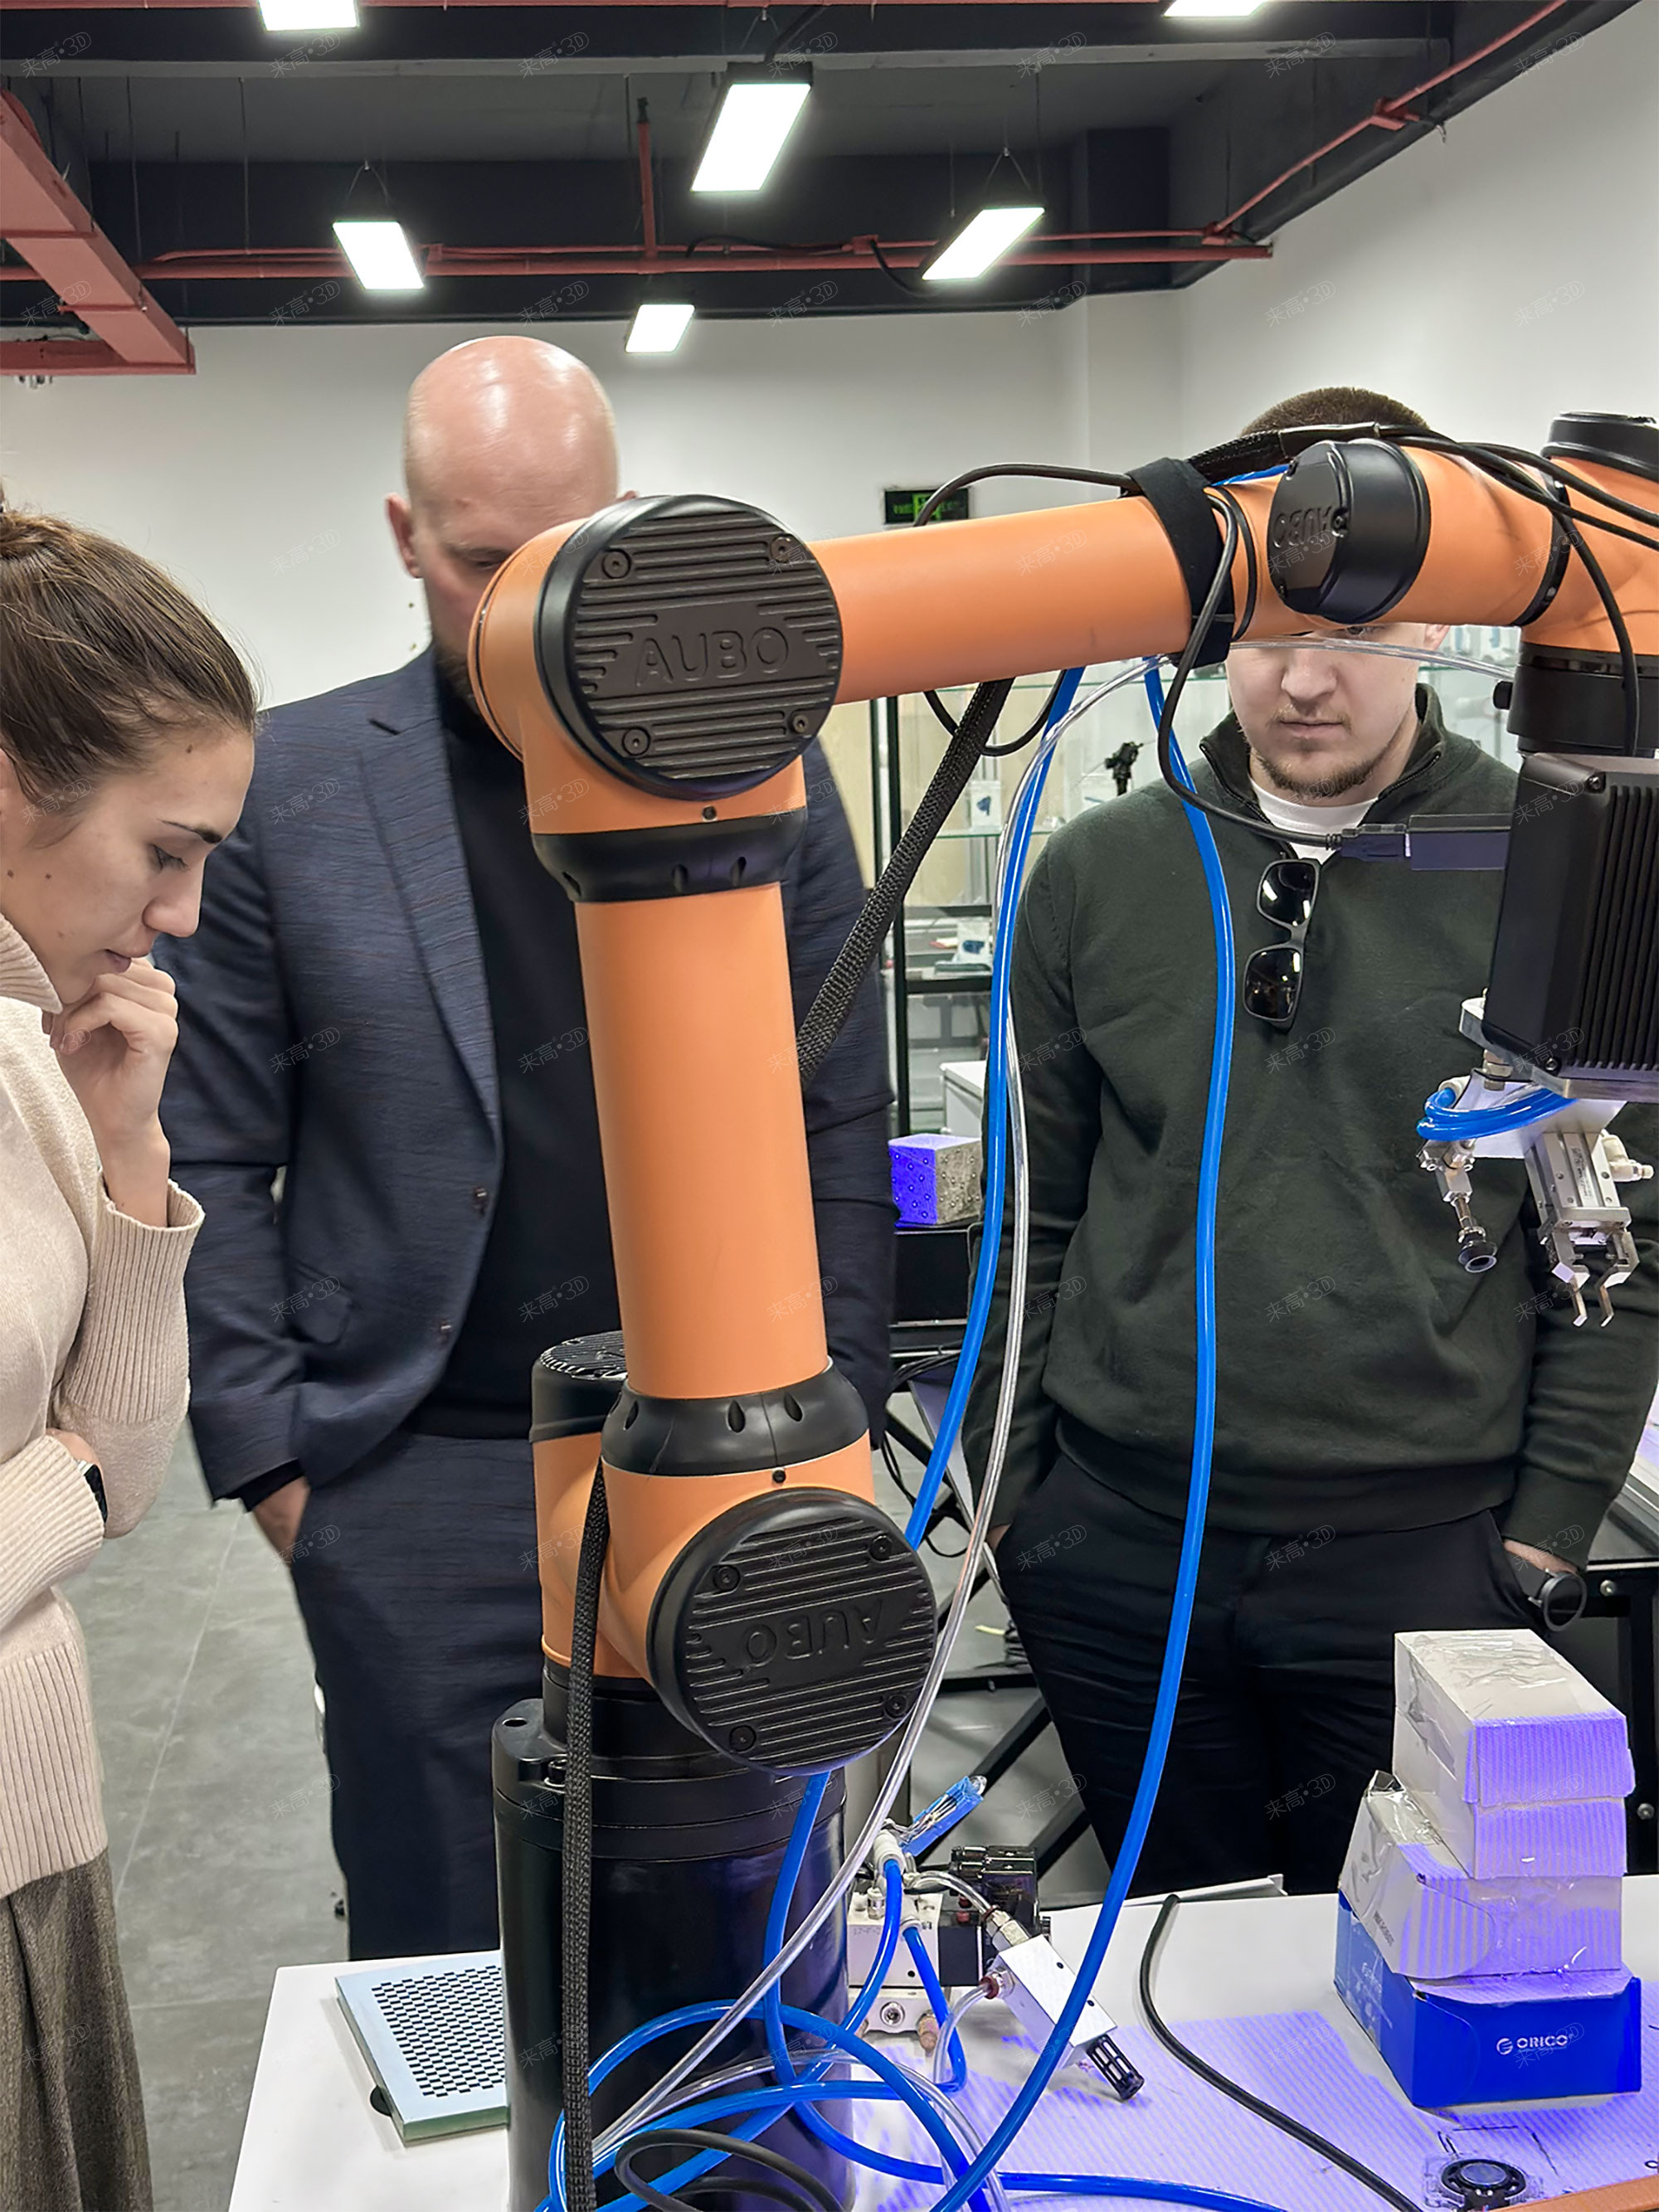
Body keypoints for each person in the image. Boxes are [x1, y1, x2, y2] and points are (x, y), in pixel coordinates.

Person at [158, 337, 894, 1961]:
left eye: (564, 545)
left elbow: (835, 1096)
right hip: (413, 1470)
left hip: (730, 1453)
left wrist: (841, 1386)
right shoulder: (293, 787)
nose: (521, 598)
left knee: (747, 1933)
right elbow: (204, 1148)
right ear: (404, 534)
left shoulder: (750, 769)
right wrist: (281, 1466)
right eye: (480, 557)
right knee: (448, 1949)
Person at [964, 385, 1659, 1896]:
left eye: (1359, 631)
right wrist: (1016, 1503)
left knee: (1411, 1972)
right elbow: (1034, 1216)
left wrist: (1545, 1533)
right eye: (1273, 631)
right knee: (1171, 1957)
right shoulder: (1096, 874)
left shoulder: (1561, 864)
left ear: (1438, 623)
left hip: (1428, 1554)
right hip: (1123, 1552)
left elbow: (1625, 1233)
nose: (1306, 680)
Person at [0, 507, 254, 2210]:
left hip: (36, 1817)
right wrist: (62, 1489)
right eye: (165, 851)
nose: (184, 911)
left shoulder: (36, 1049)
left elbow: (132, 1461)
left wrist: (126, 1151)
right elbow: (89, 1475)